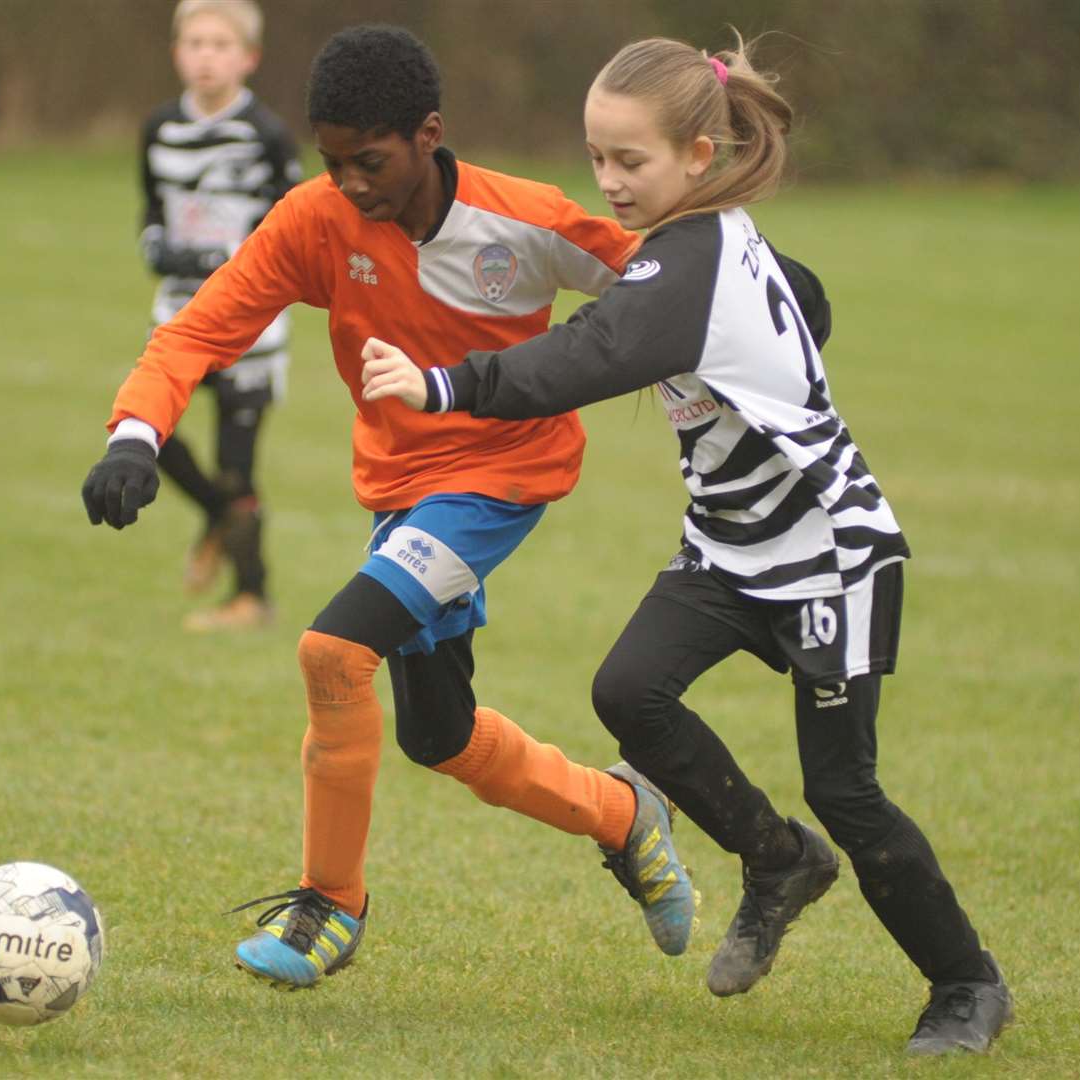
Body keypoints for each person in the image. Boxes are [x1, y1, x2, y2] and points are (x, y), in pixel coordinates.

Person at [361, 35, 1012, 1056]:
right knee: (629, 692)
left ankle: (966, 984)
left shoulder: (691, 257)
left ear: (699, 156)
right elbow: (808, 301)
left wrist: (442, 384)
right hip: (728, 546)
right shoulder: (710, 243)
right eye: (599, 158)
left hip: (825, 551)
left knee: (846, 788)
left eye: (633, 161)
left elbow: (591, 355)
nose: (611, 182)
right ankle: (777, 860)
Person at [82, 25, 698, 990]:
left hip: (499, 481)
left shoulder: (524, 220)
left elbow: (672, 279)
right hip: (404, 492)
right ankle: (625, 818)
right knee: (438, 735)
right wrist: (134, 434)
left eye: (368, 161)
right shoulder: (314, 220)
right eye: (331, 162)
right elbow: (199, 328)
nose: (350, 184)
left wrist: (773, 315)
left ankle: (329, 903)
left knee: (331, 650)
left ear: (428, 133)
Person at [139, 0, 303, 631]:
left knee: (239, 467)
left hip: (251, 328)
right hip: (179, 316)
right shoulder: (158, 128)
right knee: (145, 431)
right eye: (195, 42)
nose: (206, 55)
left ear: (248, 58)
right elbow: (150, 212)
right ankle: (215, 514)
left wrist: (231, 261)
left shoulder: (266, 134)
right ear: (177, 52)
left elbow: (285, 228)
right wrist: (157, 245)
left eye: (220, 44)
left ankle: (251, 596)